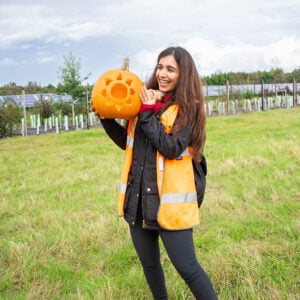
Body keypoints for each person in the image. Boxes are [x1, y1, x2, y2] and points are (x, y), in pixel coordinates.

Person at [99, 46, 218, 299]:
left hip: (169, 204)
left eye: (170, 69)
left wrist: (146, 112)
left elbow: (171, 147)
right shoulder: (146, 100)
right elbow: (129, 143)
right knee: (150, 267)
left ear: (183, 74)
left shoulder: (189, 108)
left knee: (188, 268)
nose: (162, 74)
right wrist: (107, 120)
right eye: (160, 66)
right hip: (139, 200)